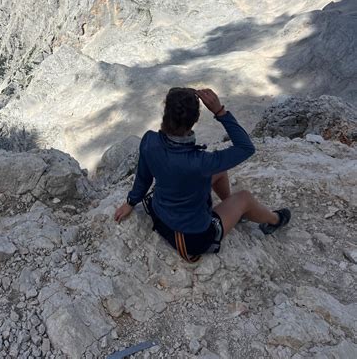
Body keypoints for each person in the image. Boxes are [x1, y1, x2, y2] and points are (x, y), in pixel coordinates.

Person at [114, 87, 291, 262]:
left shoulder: (149, 141)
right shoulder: (202, 162)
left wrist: (131, 202)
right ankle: (275, 220)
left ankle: (234, 211)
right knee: (245, 197)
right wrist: (220, 111)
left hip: (159, 214)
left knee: (219, 171)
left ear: (166, 113)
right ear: (195, 119)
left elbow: (144, 177)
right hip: (191, 239)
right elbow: (246, 147)